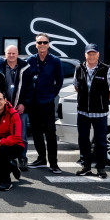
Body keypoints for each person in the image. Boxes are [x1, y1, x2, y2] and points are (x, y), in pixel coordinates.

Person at [73, 44, 110, 178]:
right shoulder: (79, 68)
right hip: (83, 112)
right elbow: (76, 86)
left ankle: (101, 168)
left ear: (98, 55)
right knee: (83, 139)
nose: (91, 56)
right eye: (89, 54)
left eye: (94, 53)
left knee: (100, 141)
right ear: (85, 55)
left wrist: (104, 100)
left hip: (100, 112)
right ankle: (86, 166)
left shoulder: (106, 69)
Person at [26, 33, 64, 174]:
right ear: (36, 44)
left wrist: (51, 94)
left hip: (47, 102)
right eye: (39, 42)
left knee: (50, 133)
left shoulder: (55, 61)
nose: (42, 45)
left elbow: (59, 81)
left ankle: (53, 163)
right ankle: (41, 159)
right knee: (36, 132)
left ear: (48, 44)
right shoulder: (30, 60)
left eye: (45, 42)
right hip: (33, 103)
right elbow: (27, 80)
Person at [0, 44, 35, 169]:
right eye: (9, 53)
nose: (11, 55)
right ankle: (10, 158)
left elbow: (30, 89)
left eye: (13, 53)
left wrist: (24, 104)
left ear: (17, 53)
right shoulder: (0, 68)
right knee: (6, 134)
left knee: (21, 135)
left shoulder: (26, 68)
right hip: (4, 108)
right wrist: (1, 104)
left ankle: (22, 157)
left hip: (20, 109)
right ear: (5, 54)